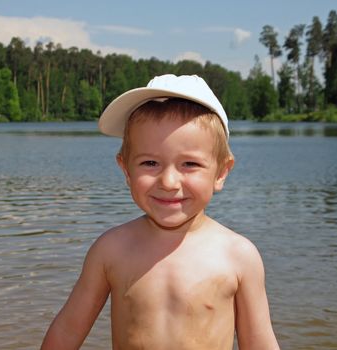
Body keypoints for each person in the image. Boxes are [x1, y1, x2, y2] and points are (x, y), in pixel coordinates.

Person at [41, 74, 280, 349]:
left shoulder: (238, 256)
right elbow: (68, 330)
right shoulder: (111, 250)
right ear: (126, 169)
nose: (168, 182)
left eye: (189, 164)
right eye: (150, 163)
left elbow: (259, 342)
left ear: (221, 172)